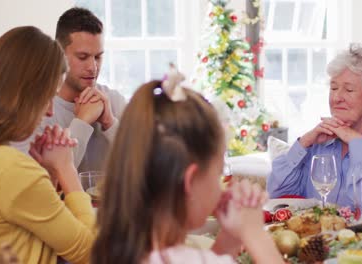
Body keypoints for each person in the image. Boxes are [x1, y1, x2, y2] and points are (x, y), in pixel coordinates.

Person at [91, 73, 284, 264]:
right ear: (190, 181)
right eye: (218, 174)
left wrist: (230, 238)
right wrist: (255, 234)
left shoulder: (116, 248)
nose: (221, 187)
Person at [0, 26, 94, 263]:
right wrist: (67, 169)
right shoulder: (12, 169)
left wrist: (48, 175)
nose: (50, 111)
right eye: (47, 98)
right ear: (25, 94)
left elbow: (25, 227)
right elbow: (94, 253)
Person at [267, 43, 362, 220]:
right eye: (333, 88)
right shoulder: (321, 140)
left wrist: (358, 144)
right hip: (317, 240)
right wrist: (304, 142)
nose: (336, 98)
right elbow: (279, 194)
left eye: (349, 89)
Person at [11, 7, 126, 172]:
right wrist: (81, 122)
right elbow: (44, 183)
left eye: (98, 57)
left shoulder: (114, 101)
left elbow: (142, 165)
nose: (93, 67)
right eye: (83, 57)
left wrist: (110, 123)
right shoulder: (38, 111)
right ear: (59, 53)